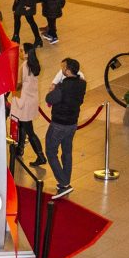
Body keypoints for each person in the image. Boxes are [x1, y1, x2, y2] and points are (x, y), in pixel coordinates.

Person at [44, 58, 86, 198]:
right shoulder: (82, 84)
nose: (61, 70)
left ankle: (64, 183)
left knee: (51, 152)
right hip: (72, 124)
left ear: (68, 71)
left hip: (59, 124)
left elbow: (50, 99)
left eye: (63, 68)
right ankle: (64, 182)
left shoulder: (62, 87)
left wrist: (52, 90)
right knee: (66, 152)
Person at [11, 46, 46, 167]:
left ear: (26, 53)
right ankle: (20, 149)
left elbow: (18, 84)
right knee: (23, 125)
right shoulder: (34, 65)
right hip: (32, 99)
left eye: (21, 51)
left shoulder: (24, 66)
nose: (20, 53)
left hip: (24, 101)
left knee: (29, 130)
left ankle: (40, 156)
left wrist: (10, 90)